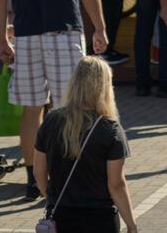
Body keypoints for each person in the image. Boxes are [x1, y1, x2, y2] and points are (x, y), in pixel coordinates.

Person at [0, 0, 108, 203]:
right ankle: (70, 175)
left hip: (25, 36)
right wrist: (100, 27)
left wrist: (2, 39)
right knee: (71, 107)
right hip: (63, 32)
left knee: (31, 110)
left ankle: (34, 179)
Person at [34, 56, 138, 233]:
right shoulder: (110, 128)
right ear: (104, 87)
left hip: (61, 216)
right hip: (100, 218)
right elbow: (116, 185)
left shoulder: (52, 119)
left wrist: (52, 198)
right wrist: (131, 224)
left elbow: (38, 172)